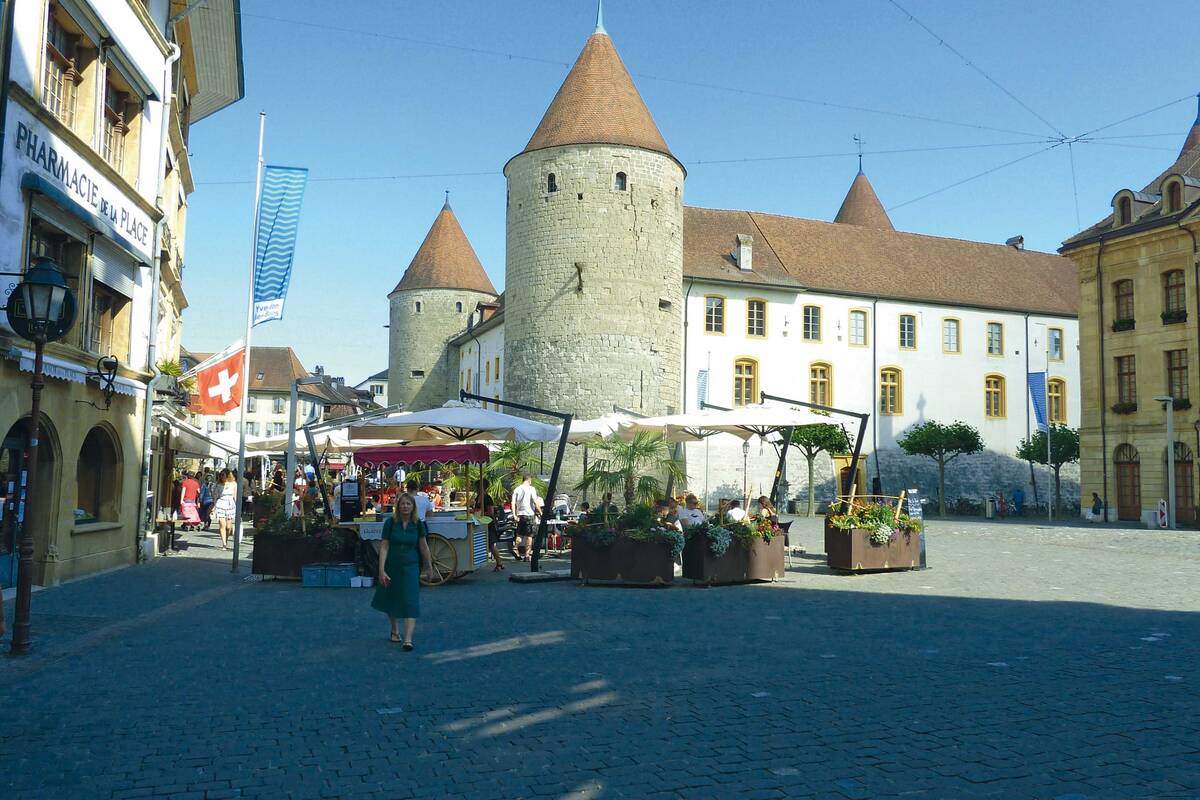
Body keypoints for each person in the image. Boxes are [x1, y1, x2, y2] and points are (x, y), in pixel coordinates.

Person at [371, 493, 433, 650]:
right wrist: (381, 569)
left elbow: (423, 546)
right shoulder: (390, 523)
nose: (405, 506)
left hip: (411, 565)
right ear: (398, 506)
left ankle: (408, 639)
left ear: (413, 507)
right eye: (402, 504)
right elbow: (384, 546)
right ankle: (394, 629)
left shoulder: (418, 524)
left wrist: (429, 565)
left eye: (408, 504)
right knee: (391, 596)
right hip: (392, 563)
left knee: (411, 599)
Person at [510, 475, 538, 560]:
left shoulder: (517, 489)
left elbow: (513, 503)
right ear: (529, 480)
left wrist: (514, 514)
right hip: (529, 514)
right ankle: (527, 555)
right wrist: (540, 512)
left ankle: (515, 547)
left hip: (520, 514)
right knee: (529, 535)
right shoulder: (531, 488)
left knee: (520, 534)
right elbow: (535, 501)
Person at [212, 469, 238, 549]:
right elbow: (215, 496)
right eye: (221, 475)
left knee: (228, 527)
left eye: (223, 475)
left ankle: (226, 540)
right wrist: (214, 507)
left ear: (228, 476)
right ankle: (224, 544)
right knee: (222, 524)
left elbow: (235, 496)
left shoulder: (233, 484)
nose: (221, 476)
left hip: (230, 504)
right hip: (221, 503)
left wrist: (237, 507)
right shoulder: (218, 484)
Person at [483, 492, 505, 572]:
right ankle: (499, 562)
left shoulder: (487, 498)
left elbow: (491, 512)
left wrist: (479, 513)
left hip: (489, 523)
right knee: (490, 545)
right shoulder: (479, 497)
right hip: (484, 523)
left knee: (491, 544)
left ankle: (499, 562)